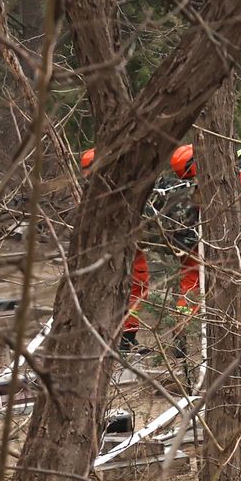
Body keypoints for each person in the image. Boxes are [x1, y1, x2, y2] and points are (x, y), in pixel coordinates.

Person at [169, 140, 241, 328]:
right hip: (212, 244)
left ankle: (180, 330)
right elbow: (240, 183)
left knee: (190, 285)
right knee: (230, 281)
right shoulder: (208, 188)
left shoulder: (180, 188)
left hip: (188, 246)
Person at [80, 148, 150, 352]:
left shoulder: (117, 187)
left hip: (130, 248)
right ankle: (115, 337)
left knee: (136, 289)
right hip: (115, 250)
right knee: (117, 291)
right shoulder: (99, 195)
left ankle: (127, 338)